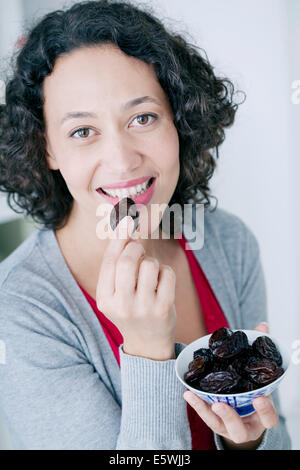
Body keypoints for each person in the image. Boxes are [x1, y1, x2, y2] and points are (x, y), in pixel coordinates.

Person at [0, 0, 291, 450]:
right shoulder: (19, 310)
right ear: (48, 150)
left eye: (143, 117)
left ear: (178, 119)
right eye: (82, 131)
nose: (121, 159)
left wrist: (246, 442)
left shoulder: (228, 243)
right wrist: (146, 349)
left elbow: (277, 432)